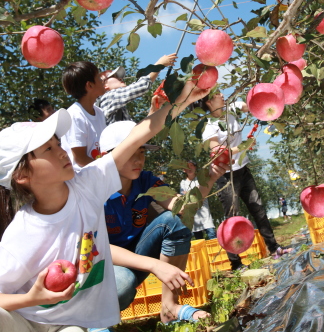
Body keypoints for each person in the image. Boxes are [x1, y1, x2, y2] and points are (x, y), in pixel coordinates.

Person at [0, 80, 209, 332]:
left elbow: (140, 133)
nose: (62, 152)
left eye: (58, 144)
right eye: (48, 150)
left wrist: (182, 99)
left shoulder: (87, 186)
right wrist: (33, 297)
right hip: (25, 323)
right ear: (22, 176)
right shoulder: (23, 231)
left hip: (69, 325)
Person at [99, 121, 228, 323]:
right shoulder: (96, 191)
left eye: (142, 152)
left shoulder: (145, 180)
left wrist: (210, 177)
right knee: (122, 284)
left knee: (174, 220)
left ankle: (170, 307)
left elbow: (183, 206)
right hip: (104, 267)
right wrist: (154, 265)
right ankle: (97, 323)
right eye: (131, 151)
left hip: (137, 255)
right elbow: (97, 248)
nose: (139, 159)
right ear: (107, 156)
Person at [199, 92, 293, 270]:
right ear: (209, 102)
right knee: (232, 218)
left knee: (258, 209)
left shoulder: (231, 110)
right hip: (226, 177)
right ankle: (235, 263)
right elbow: (216, 151)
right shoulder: (210, 126)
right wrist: (242, 147)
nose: (222, 94)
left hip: (243, 170)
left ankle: (274, 248)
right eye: (217, 94)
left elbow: (250, 107)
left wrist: (268, 109)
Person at [97, 53, 177, 124]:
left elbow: (136, 134)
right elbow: (141, 85)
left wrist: (153, 109)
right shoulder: (108, 97)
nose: (120, 79)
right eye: (115, 77)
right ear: (104, 86)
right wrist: (159, 65)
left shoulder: (119, 109)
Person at [61, 61, 107, 171]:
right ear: (89, 85)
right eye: (99, 78)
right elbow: (80, 159)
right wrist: (109, 168)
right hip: (81, 181)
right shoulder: (75, 115)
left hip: (97, 177)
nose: (103, 81)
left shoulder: (99, 113)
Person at [180, 161, 217, 240]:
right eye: (187, 166)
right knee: (199, 240)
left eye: (192, 165)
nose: (190, 168)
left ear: (195, 167)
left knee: (212, 235)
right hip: (194, 216)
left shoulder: (200, 179)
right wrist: (197, 192)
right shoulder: (183, 183)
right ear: (184, 170)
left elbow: (203, 193)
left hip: (205, 212)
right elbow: (184, 197)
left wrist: (190, 193)